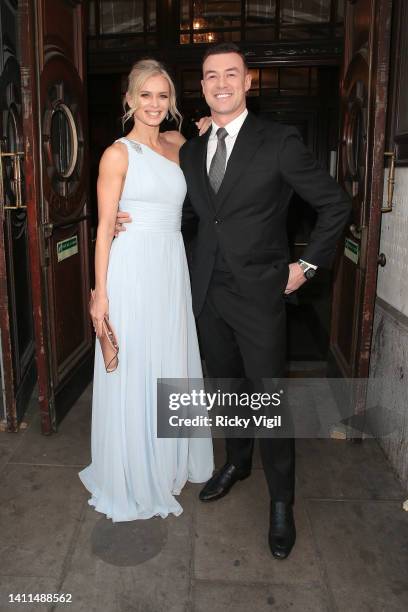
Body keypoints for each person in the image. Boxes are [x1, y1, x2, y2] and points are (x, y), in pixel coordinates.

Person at [116, 43, 351, 557]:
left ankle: (282, 502)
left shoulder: (279, 141)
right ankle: (237, 461)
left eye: (231, 74)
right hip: (204, 292)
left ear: (248, 82)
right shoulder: (192, 149)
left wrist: (307, 264)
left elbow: (335, 203)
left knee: (267, 397)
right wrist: (122, 219)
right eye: (209, 75)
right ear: (201, 87)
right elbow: (188, 212)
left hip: (262, 291)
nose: (220, 82)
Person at [78, 59, 214, 522]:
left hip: (171, 266)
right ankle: (135, 469)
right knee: (135, 364)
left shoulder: (178, 143)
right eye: (146, 95)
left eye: (162, 96)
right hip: (132, 267)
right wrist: (100, 294)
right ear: (130, 100)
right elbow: (102, 230)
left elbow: (215, 149)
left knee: (169, 358)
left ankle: (167, 458)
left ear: (171, 102)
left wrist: (211, 121)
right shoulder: (117, 154)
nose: (154, 104)